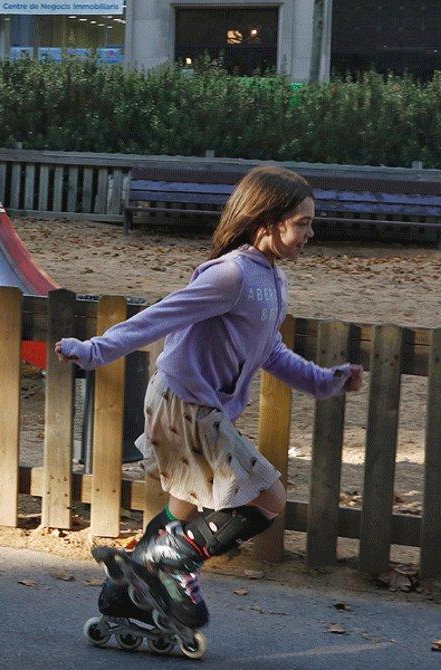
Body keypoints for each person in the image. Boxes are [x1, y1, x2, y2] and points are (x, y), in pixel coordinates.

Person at [56, 165, 363, 629]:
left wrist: (325, 381)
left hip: (198, 405)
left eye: (310, 223)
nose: (310, 232)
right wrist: (94, 351)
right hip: (184, 404)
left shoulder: (272, 281)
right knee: (266, 498)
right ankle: (171, 561)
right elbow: (158, 318)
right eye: (302, 223)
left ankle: (123, 595)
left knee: (185, 506)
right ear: (267, 222)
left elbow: (271, 351)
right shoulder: (232, 275)